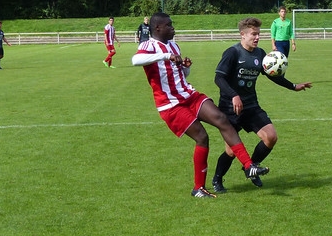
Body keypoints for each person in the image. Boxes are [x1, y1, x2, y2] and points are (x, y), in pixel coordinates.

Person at [132, 12, 269, 198]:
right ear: (157, 28)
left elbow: (180, 75)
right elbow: (136, 60)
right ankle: (198, 188)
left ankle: (248, 166)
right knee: (202, 137)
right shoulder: (148, 45)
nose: (173, 28)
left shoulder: (173, 45)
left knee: (221, 119)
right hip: (170, 104)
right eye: (169, 25)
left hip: (189, 95)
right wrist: (166, 56)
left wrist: (185, 67)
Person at [210, 17, 312, 193]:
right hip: (230, 109)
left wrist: (294, 86)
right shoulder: (232, 53)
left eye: (258, 34)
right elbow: (219, 78)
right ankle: (217, 179)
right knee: (231, 151)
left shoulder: (260, 54)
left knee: (271, 137)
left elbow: (273, 75)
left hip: (251, 106)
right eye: (253, 34)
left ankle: (252, 167)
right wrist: (234, 95)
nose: (257, 37)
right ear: (242, 35)